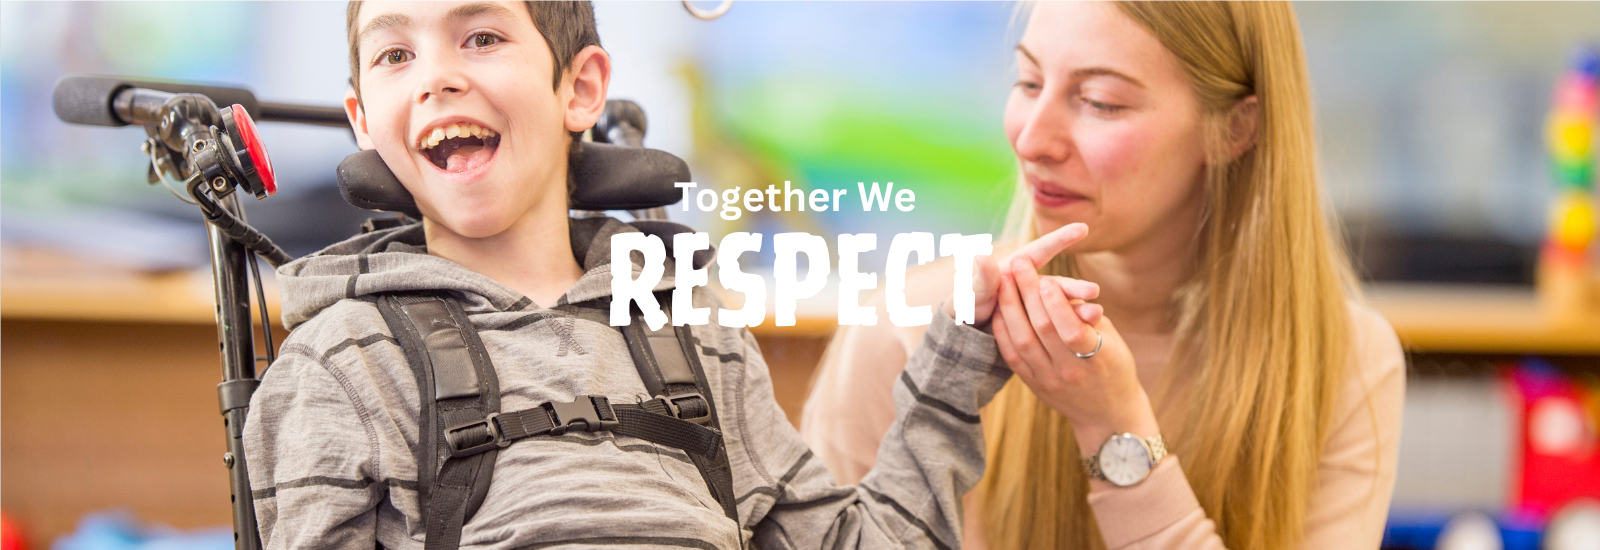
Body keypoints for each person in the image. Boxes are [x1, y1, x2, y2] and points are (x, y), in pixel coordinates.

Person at [241, 0, 1053, 547]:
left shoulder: (697, 339)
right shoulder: (339, 366)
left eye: (481, 37)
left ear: (582, 88)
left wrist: (957, 362)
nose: (436, 75)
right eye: (393, 54)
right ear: (363, 121)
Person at [800, 0, 1406, 548]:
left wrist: (1114, 429)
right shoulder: (906, 325)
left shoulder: (1346, 360)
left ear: (1235, 129)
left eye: (1100, 102)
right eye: (1029, 81)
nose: (1032, 139)